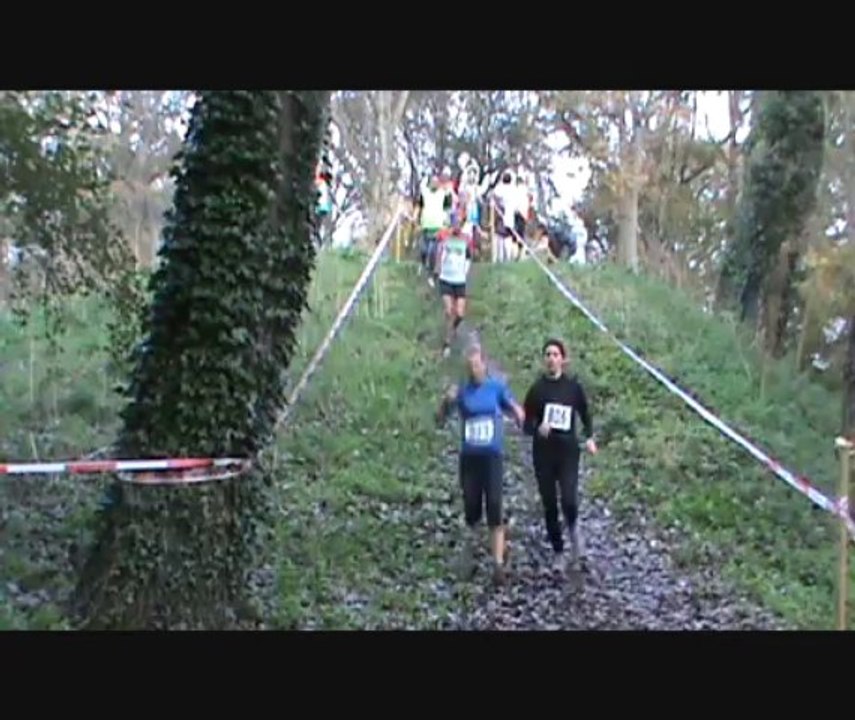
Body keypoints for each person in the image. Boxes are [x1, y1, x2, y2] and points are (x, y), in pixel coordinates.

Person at [436, 344, 526, 584]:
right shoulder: (463, 391)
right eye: (470, 366)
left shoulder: (496, 388)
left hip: (492, 458)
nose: (473, 369)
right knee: (472, 507)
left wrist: (518, 413)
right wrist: (446, 402)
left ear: (484, 365)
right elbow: (440, 420)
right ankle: (472, 555)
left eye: (476, 365)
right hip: (470, 459)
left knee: (495, 505)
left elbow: (512, 405)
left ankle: (497, 565)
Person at [522, 339, 598, 574]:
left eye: (555, 354)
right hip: (544, 454)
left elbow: (585, 415)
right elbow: (525, 423)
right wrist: (537, 428)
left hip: (568, 453)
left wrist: (590, 437)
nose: (551, 358)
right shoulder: (537, 390)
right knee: (549, 505)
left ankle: (576, 541)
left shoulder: (573, 388)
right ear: (544, 359)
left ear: (563, 360)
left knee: (569, 499)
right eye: (547, 354)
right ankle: (558, 552)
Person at [434, 216, 475, 358]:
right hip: (446, 278)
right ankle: (447, 342)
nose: (457, 226)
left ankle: (452, 330)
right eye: (454, 224)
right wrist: (437, 269)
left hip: (459, 280)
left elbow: (469, 256)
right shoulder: (445, 238)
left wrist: (465, 271)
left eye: (459, 224)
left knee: (460, 314)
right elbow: (439, 253)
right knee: (448, 311)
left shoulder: (466, 240)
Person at [416, 175, 449, 283]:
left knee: (432, 251)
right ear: (429, 183)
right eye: (433, 182)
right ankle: (422, 264)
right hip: (426, 226)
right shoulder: (425, 192)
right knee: (424, 250)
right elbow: (420, 206)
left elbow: (447, 208)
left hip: (437, 227)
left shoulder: (442, 194)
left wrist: (445, 223)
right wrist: (417, 221)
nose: (435, 184)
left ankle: (431, 274)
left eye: (436, 182)